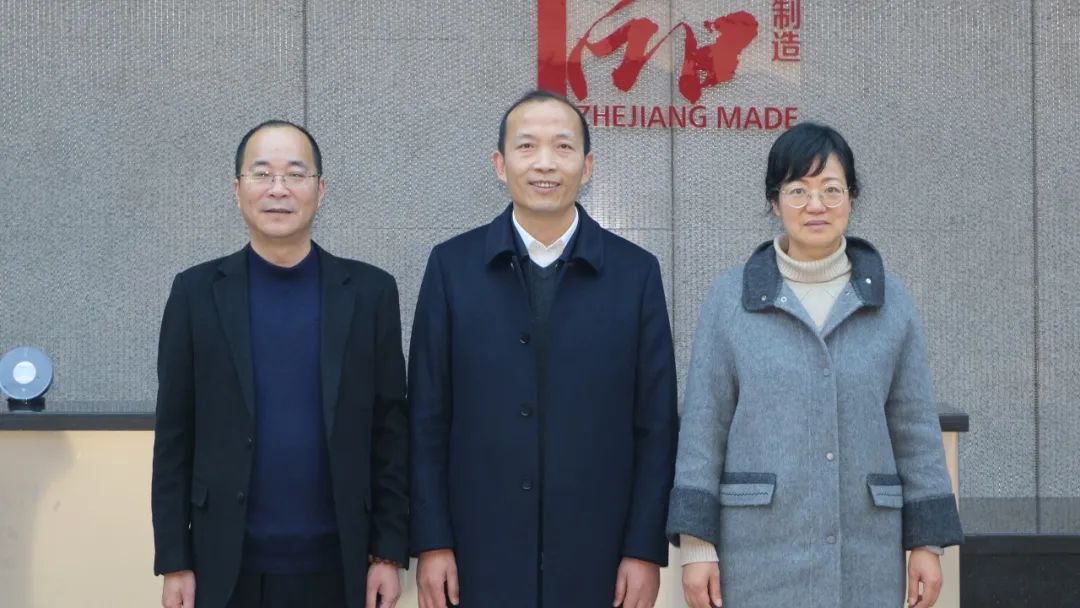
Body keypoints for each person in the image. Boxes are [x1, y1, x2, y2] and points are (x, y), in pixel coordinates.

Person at [666, 122, 963, 608]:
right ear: (774, 201)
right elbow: (704, 426)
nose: (816, 205)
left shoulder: (890, 302)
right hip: (758, 550)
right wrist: (697, 548)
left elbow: (914, 430)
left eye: (831, 189)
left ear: (852, 197)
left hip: (867, 549)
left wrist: (927, 544)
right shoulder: (730, 299)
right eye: (798, 190)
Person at [408, 90, 678, 608]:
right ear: (500, 164)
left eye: (563, 146)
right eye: (527, 146)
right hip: (478, 551)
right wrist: (433, 541)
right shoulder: (452, 268)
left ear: (587, 165)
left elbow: (656, 424)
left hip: (598, 555)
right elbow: (426, 416)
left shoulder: (635, 273)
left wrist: (643, 549)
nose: (545, 163)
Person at [151, 120, 408, 608]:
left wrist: (388, 552)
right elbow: (174, 436)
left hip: (341, 564)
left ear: (320, 189)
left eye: (295, 174)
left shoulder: (370, 293)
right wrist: (174, 560)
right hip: (226, 566)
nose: (278, 189)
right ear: (237, 190)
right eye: (261, 173)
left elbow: (390, 429)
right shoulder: (195, 293)